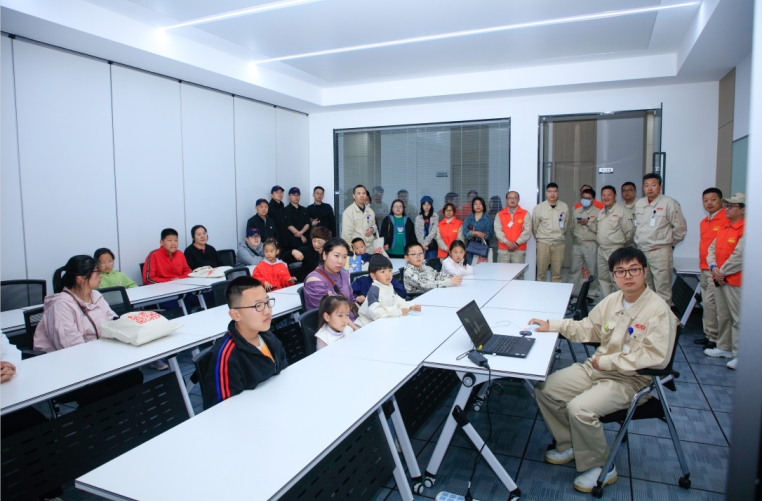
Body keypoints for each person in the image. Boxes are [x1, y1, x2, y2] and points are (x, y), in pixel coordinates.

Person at [532, 247, 677, 493]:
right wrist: (552, 325)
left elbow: (656, 358)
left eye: (633, 269)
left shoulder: (658, 310)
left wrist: (608, 362)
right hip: (597, 368)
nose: (627, 276)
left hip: (631, 381)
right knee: (546, 389)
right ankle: (571, 444)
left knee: (579, 408)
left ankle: (601, 467)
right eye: (620, 271)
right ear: (613, 275)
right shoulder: (613, 300)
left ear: (645, 271)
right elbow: (588, 328)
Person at [35, 255, 149, 386]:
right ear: (81, 278)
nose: (101, 275)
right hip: (71, 368)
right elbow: (72, 349)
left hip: (98, 357)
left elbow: (113, 321)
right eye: (97, 272)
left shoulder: (96, 295)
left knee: (133, 375)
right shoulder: (60, 306)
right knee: (125, 380)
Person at [201, 276, 288, 409]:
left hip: (277, 405)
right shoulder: (226, 358)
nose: (267, 311)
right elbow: (222, 411)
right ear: (236, 315)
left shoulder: (269, 337)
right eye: (258, 306)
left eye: (267, 302)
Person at [704, 193, 745, 370]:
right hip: (720, 278)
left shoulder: (747, 229)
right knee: (723, 315)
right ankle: (724, 347)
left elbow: (740, 257)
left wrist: (722, 272)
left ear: (743, 209)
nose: (726, 209)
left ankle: (739, 354)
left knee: (738, 319)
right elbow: (711, 249)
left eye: (731, 206)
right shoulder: (725, 226)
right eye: (726, 205)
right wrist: (713, 267)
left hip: (735, 280)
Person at [633, 173, 687, 304]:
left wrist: (669, 244)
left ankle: (663, 317)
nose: (649, 188)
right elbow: (636, 227)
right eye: (646, 185)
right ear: (643, 188)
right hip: (642, 251)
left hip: (660, 252)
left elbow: (680, 228)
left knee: (662, 290)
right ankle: (648, 316)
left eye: (653, 185)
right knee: (645, 289)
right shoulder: (639, 203)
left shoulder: (669, 203)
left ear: (660, 186)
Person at [694, 188, 728, 349]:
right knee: (707, 304)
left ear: (721, 200)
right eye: (705, 200)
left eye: (713, 199)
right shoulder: (704, 221)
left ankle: (715, 338)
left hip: (716, 269)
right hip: (704, 267)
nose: (709, 203)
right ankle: (709, 334)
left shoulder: (726, 219)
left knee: (712, 304)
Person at [303, 238, 360, 323]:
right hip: (332, 326)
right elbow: (328, 315)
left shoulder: (343, 274)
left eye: (344, 257)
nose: (341, 261)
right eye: (336, 256)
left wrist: (363, 318)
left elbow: (352, 301)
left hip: (351, 321)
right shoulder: (315, 280)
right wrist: (356, 328)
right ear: (324, 255)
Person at [357, 255, 420, 326]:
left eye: (390, 270)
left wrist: (409, 307)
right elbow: (375, 312)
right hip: (365, 325)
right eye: (383, 272)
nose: (388, 274)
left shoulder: (388, 285)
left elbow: (397, 300)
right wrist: (398, 312)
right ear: (373, 276)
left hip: (382, 321)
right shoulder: (375, 289)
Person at [595, 186, 635, 297]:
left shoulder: (622, 211)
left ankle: (619, 301)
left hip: (615, 250)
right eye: (604, 195)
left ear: (615, 196)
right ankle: (608, 301)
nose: (606, 197)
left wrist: (620, 244)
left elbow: (629, 232)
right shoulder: (601, 212)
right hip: (601, 249)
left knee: (616, 278)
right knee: (603, 278)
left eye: (609, 195)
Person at [567, 188, 601, 296]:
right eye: (584, 198)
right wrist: (576, 238)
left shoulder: (598, 212)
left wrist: (588, 223)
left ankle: (591, 293)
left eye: (588, 198)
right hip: (577, 244)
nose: (585, 200)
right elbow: (572, 228)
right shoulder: (576, 211)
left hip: (590, 244)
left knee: (591, 271)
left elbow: (599, 230)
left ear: (593, 199)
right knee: (573, 270)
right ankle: (569, 293)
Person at [533, 183, 569, 283]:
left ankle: (555, 292)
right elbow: (535, 226)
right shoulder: (539, 208)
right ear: (546, 193)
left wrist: (560, 236)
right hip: (544, 244)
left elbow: (565, 225)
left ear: (558, 193)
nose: (552, 194)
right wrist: (540, 239)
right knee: (541, 273)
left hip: (559, 243)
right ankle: (541, 292)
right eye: (550, 191)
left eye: (555, 191)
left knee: (557, 274)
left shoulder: (564, 207)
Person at [494, 191, 532, 280]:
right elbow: (497, 230)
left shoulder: (525, 213)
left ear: (518, 200)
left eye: (515, 198)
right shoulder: (500, 214)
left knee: (519, 275)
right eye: (510, 198)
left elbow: (527, 231)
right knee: (502, 275)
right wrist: (506, 242)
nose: (512, 200)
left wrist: (516, 243)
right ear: (506, 200)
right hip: (503, 249)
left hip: (519, 249)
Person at [342, 185, 378, 249]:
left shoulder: (370, 211)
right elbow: (346, 235)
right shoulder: (348, 212)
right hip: (356, 249)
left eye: (364, 193)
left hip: (370, 247)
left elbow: (374, 225)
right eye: (358, 193)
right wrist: (351, 250)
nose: (362, 195)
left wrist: (372, 229)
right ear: (354, 196)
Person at [461, 196, 493, 265]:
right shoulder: (468, 218)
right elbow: (465, 232)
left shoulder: (488, 219)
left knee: (483, 268)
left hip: (483, 247)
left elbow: (489, 234)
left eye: (480, 204)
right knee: (470, 267)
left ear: (483, 206)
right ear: (473, 206)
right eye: (475, 204)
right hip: (471, 247)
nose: (478, 206)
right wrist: (476, 233)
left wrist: (474, 233)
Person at [283, 187, 311, 252]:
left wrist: (301, 233)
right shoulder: (285, 210)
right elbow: (289, 225)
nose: (296, 197)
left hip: (305, 240)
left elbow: (307, 223)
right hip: (292, 241)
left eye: (298, 195)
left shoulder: (304, 209)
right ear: (289, 196)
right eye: (294, 195)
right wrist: (301, 236)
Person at [415, 196, 440, 260]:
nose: (426, 206)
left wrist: (425, 244)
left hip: (432, 245)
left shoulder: (435, 216)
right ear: (421, 206)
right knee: (421, 264)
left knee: (431, 264)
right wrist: (422, 245)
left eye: (428, 204)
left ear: (431, 205)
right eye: (424, 204)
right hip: (421, 246)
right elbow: (417, 232)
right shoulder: (418, 218)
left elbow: (434, 231)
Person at [620, 182, 638, 247]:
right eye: (624, 190)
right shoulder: (619, 207)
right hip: (623, 243)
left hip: (638, 243)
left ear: (635, 191)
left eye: (630, 190)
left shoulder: (640, 206)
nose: (627, 192)